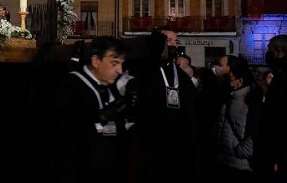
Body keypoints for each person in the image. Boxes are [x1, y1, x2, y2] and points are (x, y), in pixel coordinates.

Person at [52, 36, 138, 183]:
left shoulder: (112, 88)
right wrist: (102, 116)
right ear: (96, 61)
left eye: (121, 64)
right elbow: (66, 132)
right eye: (114, 63)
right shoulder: (72, 85)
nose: (120, 70)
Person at [134, 28, 200, 183]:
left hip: (178, 143)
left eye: (175, 41)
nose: (173, 45)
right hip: (152, 143)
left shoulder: (180, 74)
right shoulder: (144, 71)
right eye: (168, 41)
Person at [212, 56, 263, 183]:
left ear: (239, 80)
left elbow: (254, 130)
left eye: (220, 65)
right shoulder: (230, 96)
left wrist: (241, 151)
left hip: (239, 162)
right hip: (227, 158)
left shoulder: (247, 99)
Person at [255, 34, 287, 182]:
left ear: (279, 51)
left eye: (271, 50)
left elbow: (277, 115)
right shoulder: (279, 74)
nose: (268, 54)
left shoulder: (281, 76)